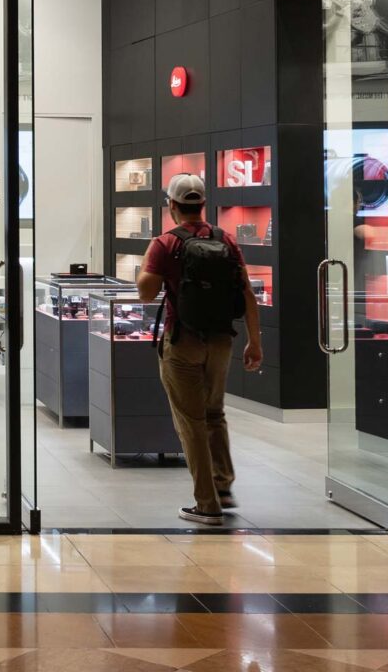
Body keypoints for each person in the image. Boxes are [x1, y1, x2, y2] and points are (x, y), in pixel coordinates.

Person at [137, 173, 262, 526]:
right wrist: (256, 341)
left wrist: (152, 269)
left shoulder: (165, 244)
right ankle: (223, 485)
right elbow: (247, 293)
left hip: (182, 341)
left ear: (172, 206)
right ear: (202, 204)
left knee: (190, 422)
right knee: (214, 413)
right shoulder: (226, 240)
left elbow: (146, 293)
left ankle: (207, 504)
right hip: (221, 340)